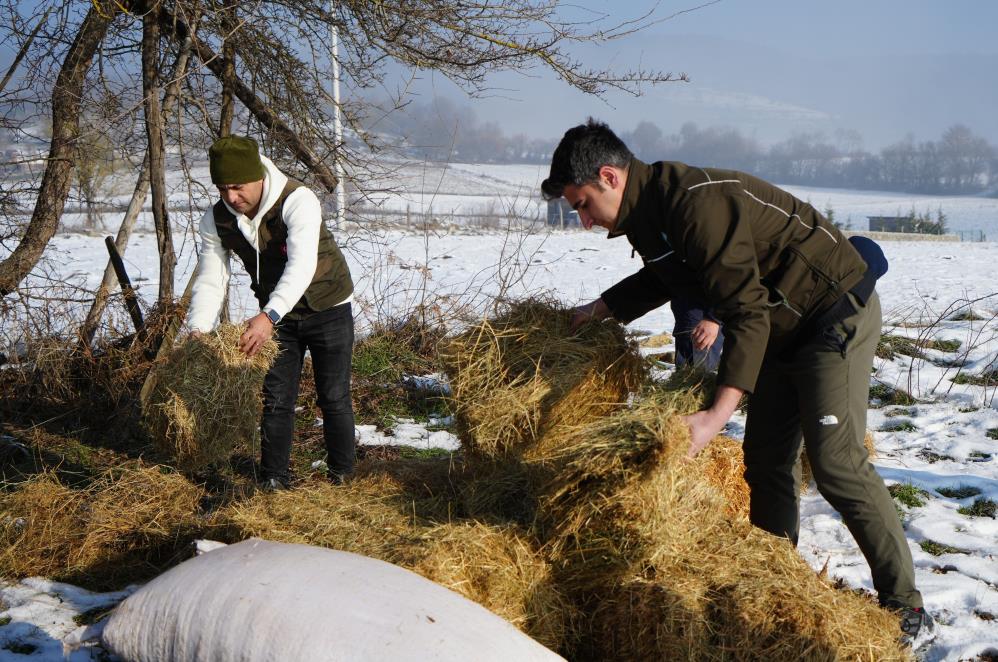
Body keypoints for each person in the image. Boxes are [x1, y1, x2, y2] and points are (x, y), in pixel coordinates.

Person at [541, 119, 931, 639]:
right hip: (780, 325)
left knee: (836, 464)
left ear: (609, 177)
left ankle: (907, 607)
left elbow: (745, 311)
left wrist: (713, 418)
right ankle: (775, 584)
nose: (584, 219)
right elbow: (663, 276)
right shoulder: (647, 213)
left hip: (831, 314)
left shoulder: (695, 202)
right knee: (766, 460)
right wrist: (600, 310)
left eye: (583, 204)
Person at [187, 135, 356, 490]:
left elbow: (302, 265)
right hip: (278, 318)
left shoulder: (298, 199)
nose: (231, 197)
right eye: (222, 188)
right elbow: (212, 277)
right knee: (277, 399)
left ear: (258, 176)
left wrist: (268, 316)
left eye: (237, 186)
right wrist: (198, 330)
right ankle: (274, 481)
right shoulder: (216, 219)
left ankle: (343, 477)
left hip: (326, 306)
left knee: (334, 396)